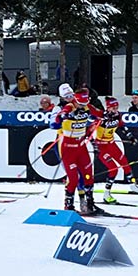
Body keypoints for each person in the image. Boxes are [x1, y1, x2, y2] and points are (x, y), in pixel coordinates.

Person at [51, 85, 102, 214]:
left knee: (88, 175)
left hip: (81, 146)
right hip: (67, 147)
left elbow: (99, 114)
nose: (82, 106)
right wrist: (67, 115)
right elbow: (57, 120)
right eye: (80, 103)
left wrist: (106, 116)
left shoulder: (86, 106)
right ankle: (69, 205)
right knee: (73, 178)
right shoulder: (69, 106)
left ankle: (89, 203)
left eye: (85, 103)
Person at [95, 96, 138, 203]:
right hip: (101, 147)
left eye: (116, 107)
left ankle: (133, 186)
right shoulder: (101, 116)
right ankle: (106, 194)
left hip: (111, 144)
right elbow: (90, 112)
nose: (115, 110)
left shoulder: (117, 115)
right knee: (113, 169)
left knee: (125, 163)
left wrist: (130, 137)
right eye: (113, 108)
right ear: (108, 108)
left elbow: (122, 126)